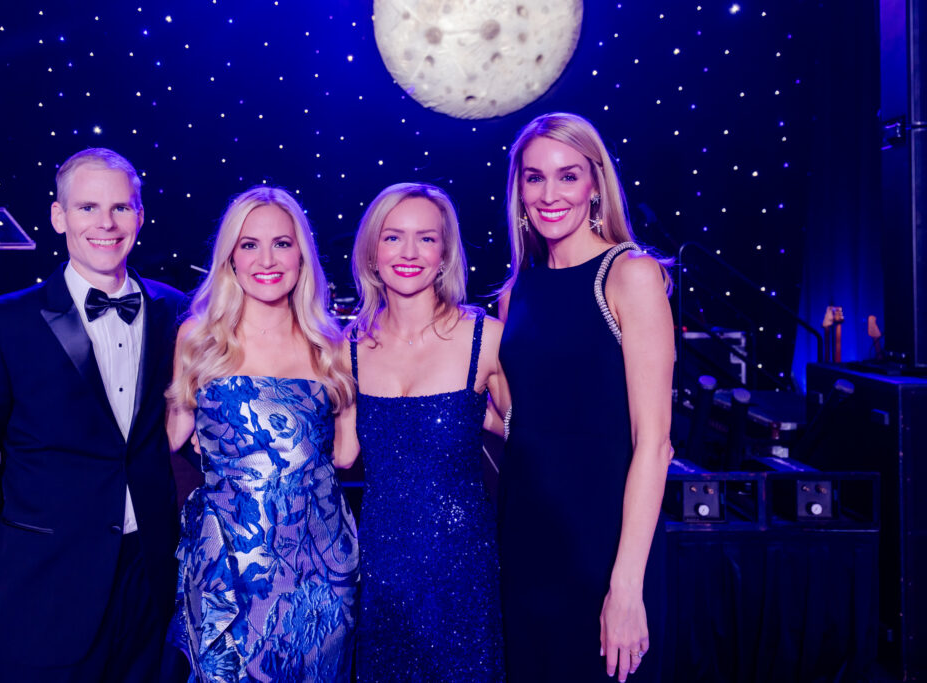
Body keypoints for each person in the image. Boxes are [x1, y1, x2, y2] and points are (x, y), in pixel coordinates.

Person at [0, 148, 188, 682]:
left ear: (140, 216)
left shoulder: (177, 311)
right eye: (87, 208)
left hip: (150, 578)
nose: (105, 223)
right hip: (41, 583)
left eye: (121, 208)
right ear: (59, 217)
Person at [496, 112, 674, 682]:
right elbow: (523, 424)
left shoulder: (630, 275)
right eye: (534, 177)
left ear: (596, 183)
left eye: (568, 176)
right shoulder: (514, 292)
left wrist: (626, 584)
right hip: (526, 543)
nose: (550, 195)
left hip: (604, 547)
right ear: (518, 188)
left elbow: (655, 445)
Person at [166, 186, 359, 682]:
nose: (266, 259)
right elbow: (169, 438)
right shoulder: (198, 337)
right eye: (249, 244)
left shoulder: (330, 344)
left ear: (302, 254)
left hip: (318, 570)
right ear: (230, 256)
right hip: (227, 567)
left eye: (282, 243)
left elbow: (345, 455)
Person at [348, 182, 506, 681]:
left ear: (445, 253)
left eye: (426, 238)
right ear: (372, 252)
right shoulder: (346, 346)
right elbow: (337, 454)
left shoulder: (486, 338)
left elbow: (537, 444)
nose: (409, 253)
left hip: (463, 571)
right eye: (393, 237)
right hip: (381, 572)